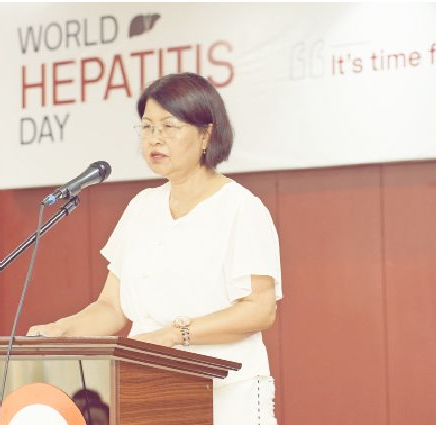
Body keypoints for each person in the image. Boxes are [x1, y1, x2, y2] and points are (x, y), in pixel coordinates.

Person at [27, 72, 282, 424]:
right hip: (147, 386)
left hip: (225, 393)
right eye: (147, 127)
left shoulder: (240, 207)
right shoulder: (141, 207)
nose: (154, 138)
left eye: (169, 126)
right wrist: (62, 330)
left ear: (206, 134)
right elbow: (112, 307)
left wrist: (175, 335)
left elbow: (260, 309)